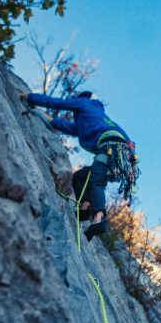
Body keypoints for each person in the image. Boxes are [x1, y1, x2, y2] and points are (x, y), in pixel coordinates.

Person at [19, 90, 132, 240]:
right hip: (124, 158)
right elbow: (55, 124)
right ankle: (84, 208)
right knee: (80, 177)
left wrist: (29, 97)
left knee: (96, 182)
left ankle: (98, 218)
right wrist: (37, 112)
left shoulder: (85, 103)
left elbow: (56, 103)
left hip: (110, 147)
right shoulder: (94, 119)